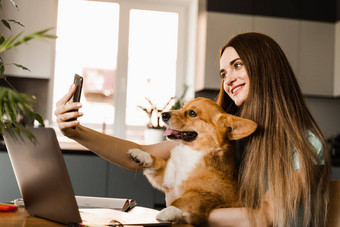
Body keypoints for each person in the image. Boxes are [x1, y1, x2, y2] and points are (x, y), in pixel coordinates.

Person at [55, 32, 330, 227]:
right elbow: (140, 155)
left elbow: (267, 217)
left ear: (266, 68)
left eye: (237, 66)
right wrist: (76, 132)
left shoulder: (306, 145)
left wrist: (184, 210)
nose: (228, 80)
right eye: (223, 73)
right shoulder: (218, 134)